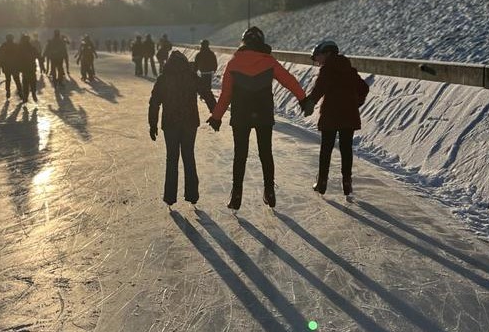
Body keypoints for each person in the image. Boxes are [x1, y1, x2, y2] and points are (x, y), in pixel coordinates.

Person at [207, 26, 313, 210]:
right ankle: (270, 192)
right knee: (266, 153)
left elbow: (226, 95)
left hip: (241, 116)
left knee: (240, 155)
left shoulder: (233, 63)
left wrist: (216, 117)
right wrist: (303, 99)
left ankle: (237, 195)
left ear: (244, 43)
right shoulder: (269, 61)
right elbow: (289, 80)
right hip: (263, 114)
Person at [149, 51, 217, 207]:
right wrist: (215, 114)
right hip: (189, 123)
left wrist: (152, 124)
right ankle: (192, 195)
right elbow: (206, 93)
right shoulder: (191, 77)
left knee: (171, 159)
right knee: (188, 156)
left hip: (170, 124)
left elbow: (154, 103)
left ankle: (170, 197)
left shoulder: (163, 79)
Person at [304, 40, 369, 196]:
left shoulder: (327, 69)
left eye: (318, 56)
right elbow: (364, 88)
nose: (317, 61)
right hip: (349, 114)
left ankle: (322, 183)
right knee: (346, 149)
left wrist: (309, 103)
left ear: (327, 53)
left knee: (326, 149)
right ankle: (347, 184)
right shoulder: (349, 69)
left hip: (331, 115)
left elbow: (319, 89)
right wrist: (355, 102)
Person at [0, 34, 23, 100]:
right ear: (13, 38)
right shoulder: (16, 45)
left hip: (7, 66)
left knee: (8, 79)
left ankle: (8, 91)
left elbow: (1, 57)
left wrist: (2, 66)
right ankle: (20, 92)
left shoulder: (4, 45)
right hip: (15, 66)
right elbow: (20, 56)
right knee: (17, 79)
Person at [17, 34, 39, 103]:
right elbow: (37, 55)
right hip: (32, 68)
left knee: (25, 83)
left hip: (24, 68)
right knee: (33, 82)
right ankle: (33, 94)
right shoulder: (32, 48)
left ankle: (25, 97)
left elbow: (16, 58)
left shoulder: (20, 49)